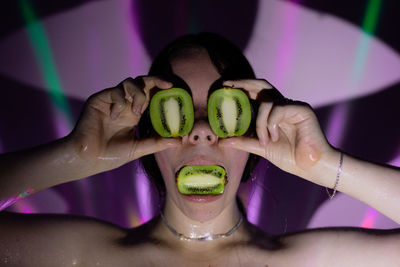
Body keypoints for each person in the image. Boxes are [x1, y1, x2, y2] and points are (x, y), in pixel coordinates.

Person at [1, 32, 399, 266]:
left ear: (258, 132)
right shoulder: (85, 257)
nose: (202, 133)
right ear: (147, 130)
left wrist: (323, 164)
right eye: (179, 112)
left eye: (224, 114)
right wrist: (75, 154)